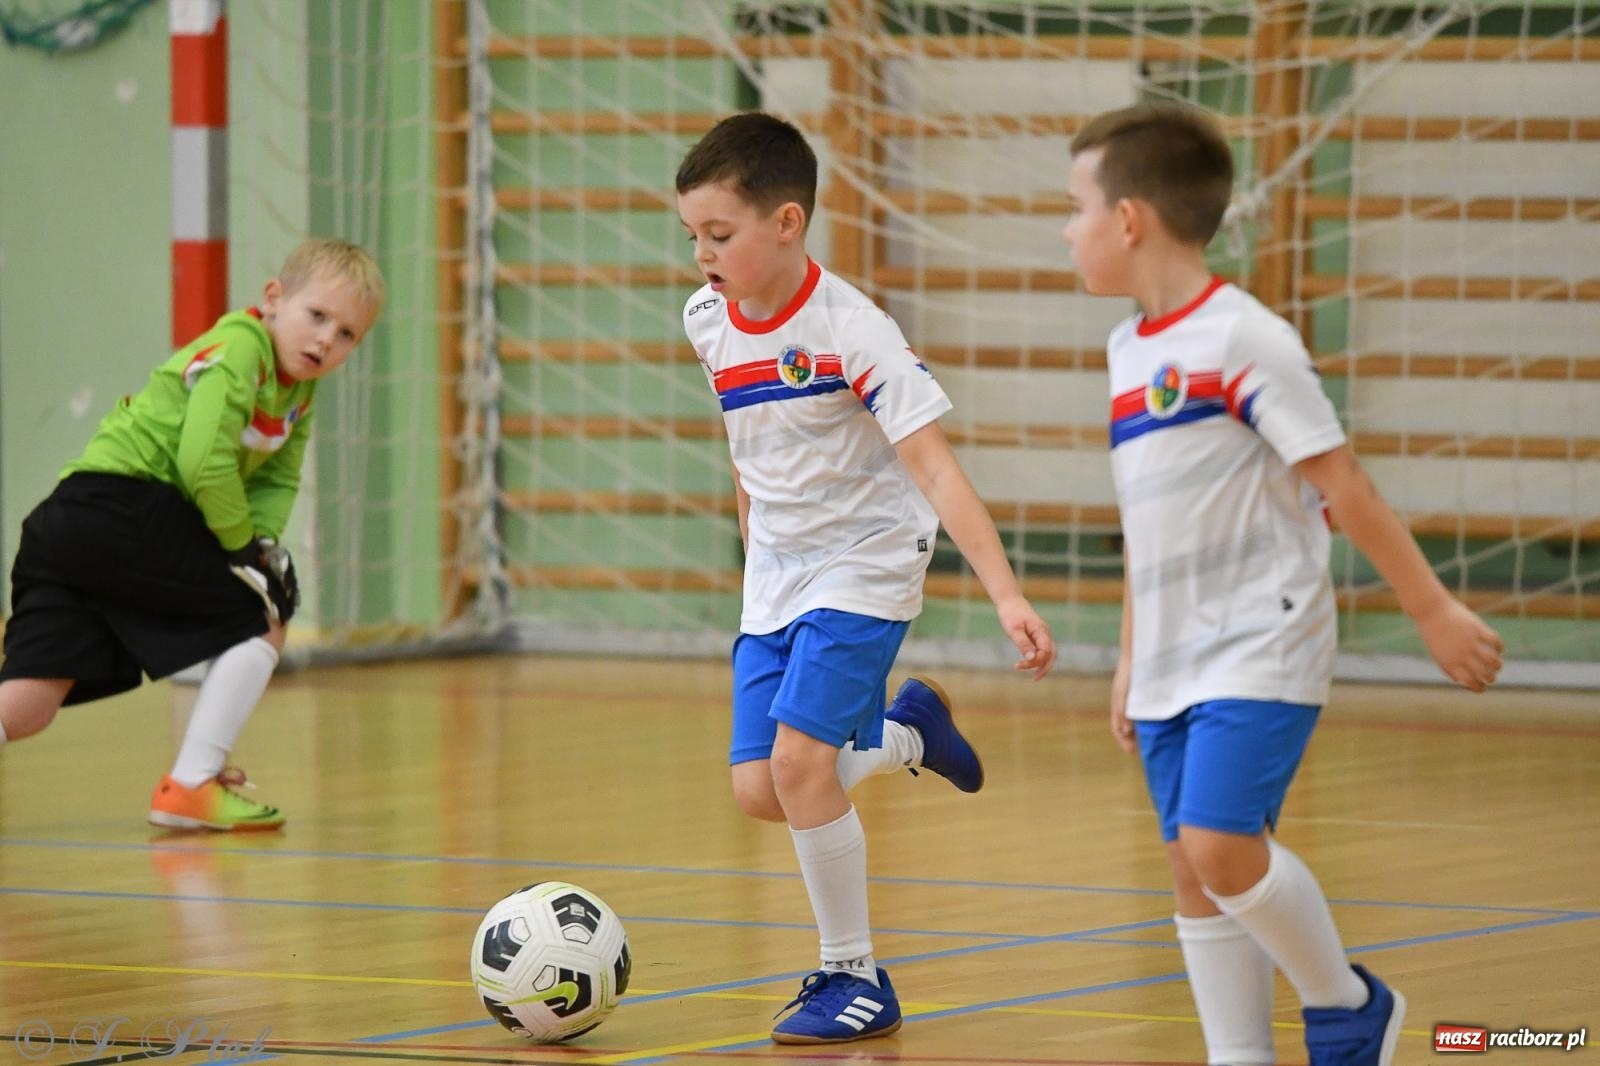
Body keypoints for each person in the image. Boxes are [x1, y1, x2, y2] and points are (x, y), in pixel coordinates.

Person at [1062, 103, 1504, 1066]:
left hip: (1266, 637)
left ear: (1128, 219)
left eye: (1075, 207)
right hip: (1171, 653)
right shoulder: (1126, 349)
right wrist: (1131, 658)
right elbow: (1149, 518)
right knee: (1190, 868)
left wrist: (1433, 608)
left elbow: (1343, 482)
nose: (1067, 230)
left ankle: (1348, 1003)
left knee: (1221, 847)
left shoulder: (1246, 338)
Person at [677, 111, 1057, 1045]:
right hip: (778, 572)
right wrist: (754, 564)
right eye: (691, 236)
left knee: (802, 767)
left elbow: (935, 469)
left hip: (867, 562)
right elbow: (747, 456)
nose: (702, 256)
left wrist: (1006, 592)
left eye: (719, 236)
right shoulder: (705, 321)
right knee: (759, 789)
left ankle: (854, 975)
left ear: (787, 223)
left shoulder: (854, 331)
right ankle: (908, 736)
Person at [0, 238, 384, 832]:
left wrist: (260, 542)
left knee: (28, 704)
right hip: (121, 506)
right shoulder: (240, 349)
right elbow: (202, 461)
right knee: (264, 617)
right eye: (317, 316)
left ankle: (191, 785)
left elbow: (279, 477)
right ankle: (192, 784)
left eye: (347, 335)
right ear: (274, 299)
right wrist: (240, 551)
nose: (326, 340)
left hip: (70, 523)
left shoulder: (299, 395)